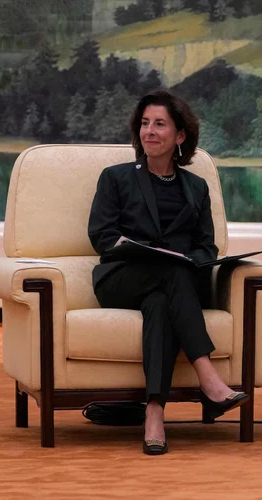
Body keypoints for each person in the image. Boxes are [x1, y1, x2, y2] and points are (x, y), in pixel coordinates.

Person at [88, 89, 247, 455]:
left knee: (161, 300)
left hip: (173, 285)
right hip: (122, 278)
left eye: (160, 124)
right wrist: (146, 251)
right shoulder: (115, 178)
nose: (150, 131)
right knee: (169, 272)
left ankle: (155, 412)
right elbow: (102, 236)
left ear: (180, 135)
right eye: (145, 123)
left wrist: (187, 258)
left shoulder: (196, 187)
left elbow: (206, 246)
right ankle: (209, 378)